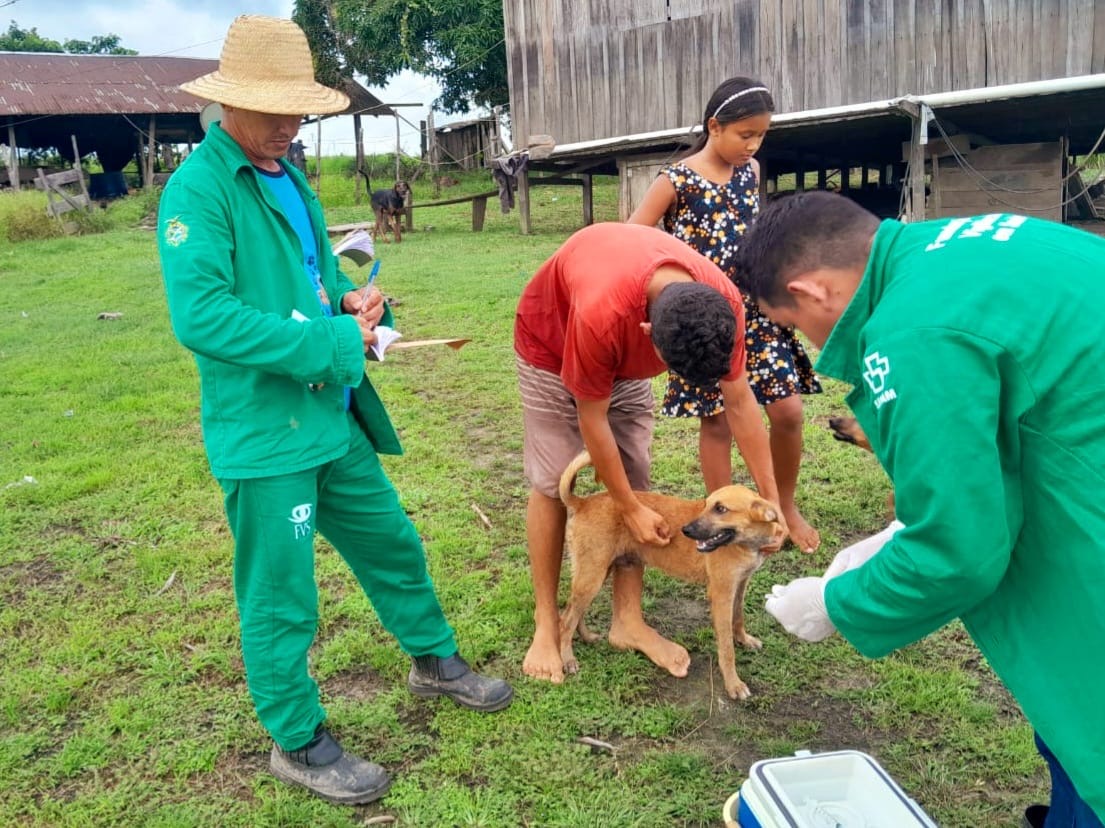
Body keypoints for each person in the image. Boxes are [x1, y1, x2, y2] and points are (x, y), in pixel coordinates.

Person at [157, 15, 512, 806]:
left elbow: (313, 284)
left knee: (391, 542)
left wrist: (349, 301)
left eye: (298, 111)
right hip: (267, 430)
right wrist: (334, 342)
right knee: (281, 596)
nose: (289, 125)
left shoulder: (290, 178)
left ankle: (433, 658)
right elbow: (202, 317)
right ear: (228, 104)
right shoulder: (199, 188)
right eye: (273, 110)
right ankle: (298, 741)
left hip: (330, 415)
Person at [737, 190, 1104, 826]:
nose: (815, 347)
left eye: (797, 326)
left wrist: (835, 603)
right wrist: (894, 534)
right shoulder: (971, 243)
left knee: (1090, 725)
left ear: (813, 289)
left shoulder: (909, 333)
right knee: (1070, 740)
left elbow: (958, 548)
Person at [515, 221, 782, 684]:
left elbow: (740, 403)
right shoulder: (603, 314)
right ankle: (546, 624)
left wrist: (773, 506)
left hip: (620, 330)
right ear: (647, 332)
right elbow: (592, 419)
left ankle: (628, 622)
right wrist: (627, 507)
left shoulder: (720, 307)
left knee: (634, 477)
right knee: (552, 478)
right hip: (552, 343)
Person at [628, 77, 822, 554]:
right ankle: (722, 519)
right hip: (707, 320)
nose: (752, 145)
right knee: (716, 422)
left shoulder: (750, 172)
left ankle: (785, 507)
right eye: (745, 134)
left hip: (758, 311)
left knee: (788, 411)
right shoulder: (674, 180)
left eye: (760, 136)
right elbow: (631, 240)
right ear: (715, 126)